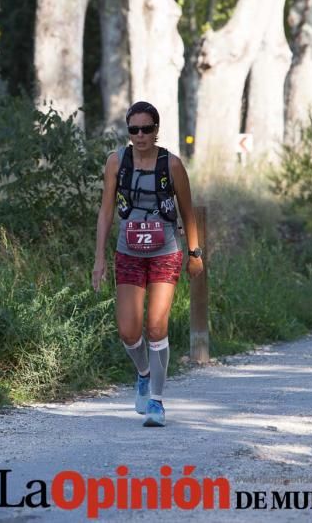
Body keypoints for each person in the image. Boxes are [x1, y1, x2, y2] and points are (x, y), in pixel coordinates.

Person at [92, 101, 203, 426]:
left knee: (156, 325)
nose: (140, 135)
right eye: (134, 129)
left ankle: (156, 400)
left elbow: (188, 210)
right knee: (128, 330)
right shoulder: (117, 162)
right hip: (128, 250)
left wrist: (195, 254)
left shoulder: (172, 165)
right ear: (128, 131)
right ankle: (143, 372)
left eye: (146, 129)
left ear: (156, 130)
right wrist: (99, 258)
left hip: (165, 251)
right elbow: (106, 210)